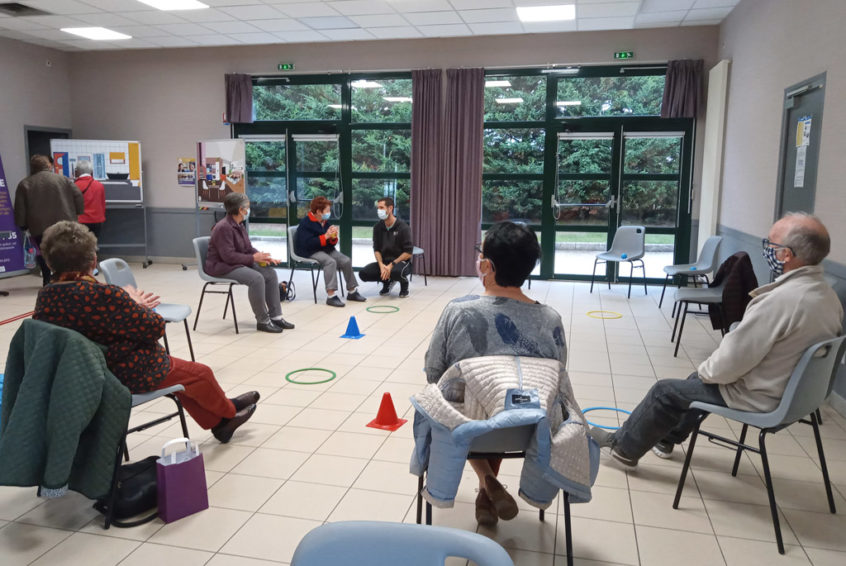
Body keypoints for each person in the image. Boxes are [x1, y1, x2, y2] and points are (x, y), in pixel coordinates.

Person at [590, 213, 844, 467]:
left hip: (763, 396)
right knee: (694, 382)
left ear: (786, 255)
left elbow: (729, 365)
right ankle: (667, 437)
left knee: (666, 390)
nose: (766, 248)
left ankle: (622, 448)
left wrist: (706, 371)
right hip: (799, 397)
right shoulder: (827, 296)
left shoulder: (781, 301)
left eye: (771, 244)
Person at [33, 221, 258, 443]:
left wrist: (127, 304)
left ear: (50, 262)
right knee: (201, 374)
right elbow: (155, 328)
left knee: (187, 381)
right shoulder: (104, 295)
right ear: (93, 260)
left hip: (81, 375)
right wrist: (138, 304)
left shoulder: (46, 296)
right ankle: (228, 414)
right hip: (124, 371)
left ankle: (221, 421)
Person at [424, 221, 567, 526]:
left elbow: (434, 372)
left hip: (468, 428)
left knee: (468, 402)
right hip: (531, 430)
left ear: (486, 265)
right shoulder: (551, 319)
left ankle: (487, 481)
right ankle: (487, 489)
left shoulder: (458, 311)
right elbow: (557, 379)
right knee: (509, 399)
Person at [206, 192, 294, 333]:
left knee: (270, 274)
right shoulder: (223, 227)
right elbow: (228, 256)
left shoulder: (238, 224)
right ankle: (263, 321)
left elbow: (248, 248)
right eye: (247, 207)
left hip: (235, 262)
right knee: (256, 278)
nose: (249, 209)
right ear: (240, 210)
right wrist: (254, 258)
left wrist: (262, 257)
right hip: (221, 266)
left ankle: (276, 316)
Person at [14, 154, 84, 286]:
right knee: (66, 250)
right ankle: (66, 277)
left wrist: (22, 225)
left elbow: (20, 207)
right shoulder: (63, 179)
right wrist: (78, 212)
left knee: (43, 252)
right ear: (48, 166)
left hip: (39, 226)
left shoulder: (25, 184)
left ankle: (47, 278)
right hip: (65, 224)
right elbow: (78, 195)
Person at [295, 195, 366, 307]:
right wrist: (325, 237)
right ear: (318, 211)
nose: (329, 213)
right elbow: (308, 243)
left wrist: (333, 237)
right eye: (327, 210)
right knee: (330, 262)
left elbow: (330, 242)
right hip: (310, 251)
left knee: (346, 260)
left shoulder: (324, 221)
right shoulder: (306, 223)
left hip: (325, 249)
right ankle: (331, 296)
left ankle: (352, 292)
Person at [358, 197, 414, 298]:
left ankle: (404, 284)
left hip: (401, 263)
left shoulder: (403, 227)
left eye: (381, 207)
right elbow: (376, 249)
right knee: (363, 273)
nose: (378, 211)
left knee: (396, 271)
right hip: (385, 262)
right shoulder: (377, 227)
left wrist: (392, 265)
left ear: (390, 208)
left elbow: (408, 253)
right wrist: (381, 265)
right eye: (378, 208)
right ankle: (387, 282)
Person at [74, 160, 106, 238]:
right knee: (93, 244)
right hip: (97, 221)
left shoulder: (74, 186)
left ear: (76, 172)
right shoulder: (99, 185)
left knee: (81, 246)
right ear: (91, 172)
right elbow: (102, 204)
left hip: (80, 221)